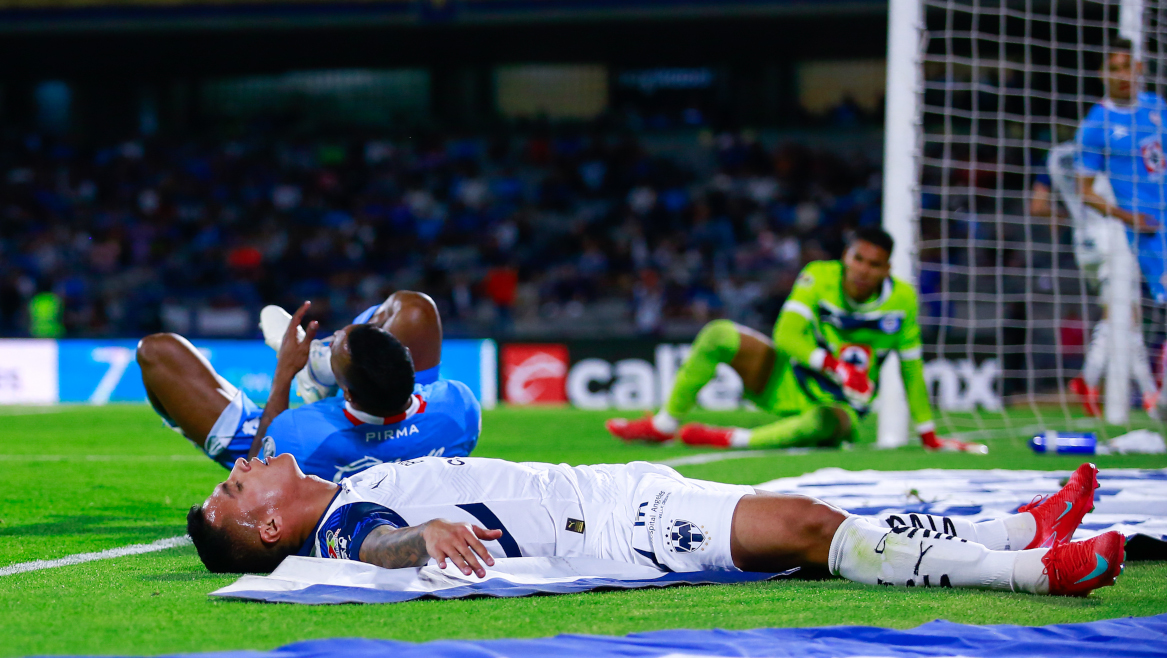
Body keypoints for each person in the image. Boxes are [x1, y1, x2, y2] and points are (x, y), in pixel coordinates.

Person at [186, 454, 1122, 600]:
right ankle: (1033, 575)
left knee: (818, 518)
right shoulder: (350, 519)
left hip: (611, 484)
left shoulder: (346, 472)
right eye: (231, 493)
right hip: (610, 526)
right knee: (801, 524)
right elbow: (371, 547)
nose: (236, 472)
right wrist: (413, 543)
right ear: (270, 528)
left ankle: (1007, 528)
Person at [606, 227, 984, 453]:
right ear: (846, 257)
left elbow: (911, 370)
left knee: (823, 421)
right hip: (787, 378)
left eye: (874, 264)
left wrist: (928, 434)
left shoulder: (902, 301)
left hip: (838, 406)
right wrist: (831, 365)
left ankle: (732, 439)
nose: (864, 270)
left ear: (887, 268)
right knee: (719, 333)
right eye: (858, 259)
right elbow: (785, 334)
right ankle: (665, 424)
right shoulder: (818, 276)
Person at [137, 291, 481, 483]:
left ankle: (315, 372)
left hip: (269, 443)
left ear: (345, 394)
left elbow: (253, 477)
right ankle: (320, 370)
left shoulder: (298, 435)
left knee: (155, 352)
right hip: (379, 419)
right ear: (407, 362)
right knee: (417, 308)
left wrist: (285, 373)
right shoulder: (457, 410)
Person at [1064, 38, 1161, 416]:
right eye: (1114, 68)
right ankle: (1150, 394)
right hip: (1105, 236)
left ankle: (1090, 381)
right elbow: (1079, 191)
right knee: (1125, 312)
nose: (1123, 75)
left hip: (1118, 233)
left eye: (1129, 66)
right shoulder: (1095, 128)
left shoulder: (1154, 111)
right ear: (1102, 73)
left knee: (1121, 314)